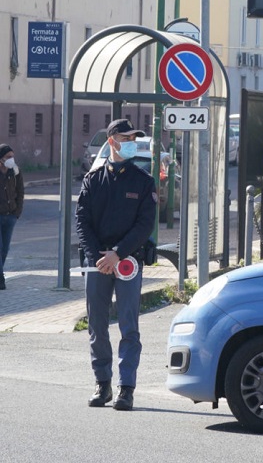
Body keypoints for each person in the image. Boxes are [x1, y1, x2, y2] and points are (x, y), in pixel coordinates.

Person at [75, 119, 157, 411]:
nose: (132, 143)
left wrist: (118, 254)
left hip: (128, 262)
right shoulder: (93, 179)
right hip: (98, 262)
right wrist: (99, 256)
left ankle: (126, 388)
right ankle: (102, 383)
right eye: (126, 138)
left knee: (128, 326)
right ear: (112, 141)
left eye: (134, 138)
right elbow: (82, 221)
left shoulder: (143, 181)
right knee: (97, 324)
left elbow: (144, 225)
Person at [0, 144, 23, 290]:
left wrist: (17, 212)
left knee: (5, 249)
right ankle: (0, 278)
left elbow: (20, 192)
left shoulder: (15, 171)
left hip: (10, 216)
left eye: (12, 156)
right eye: (8, 157)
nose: (11, 159)